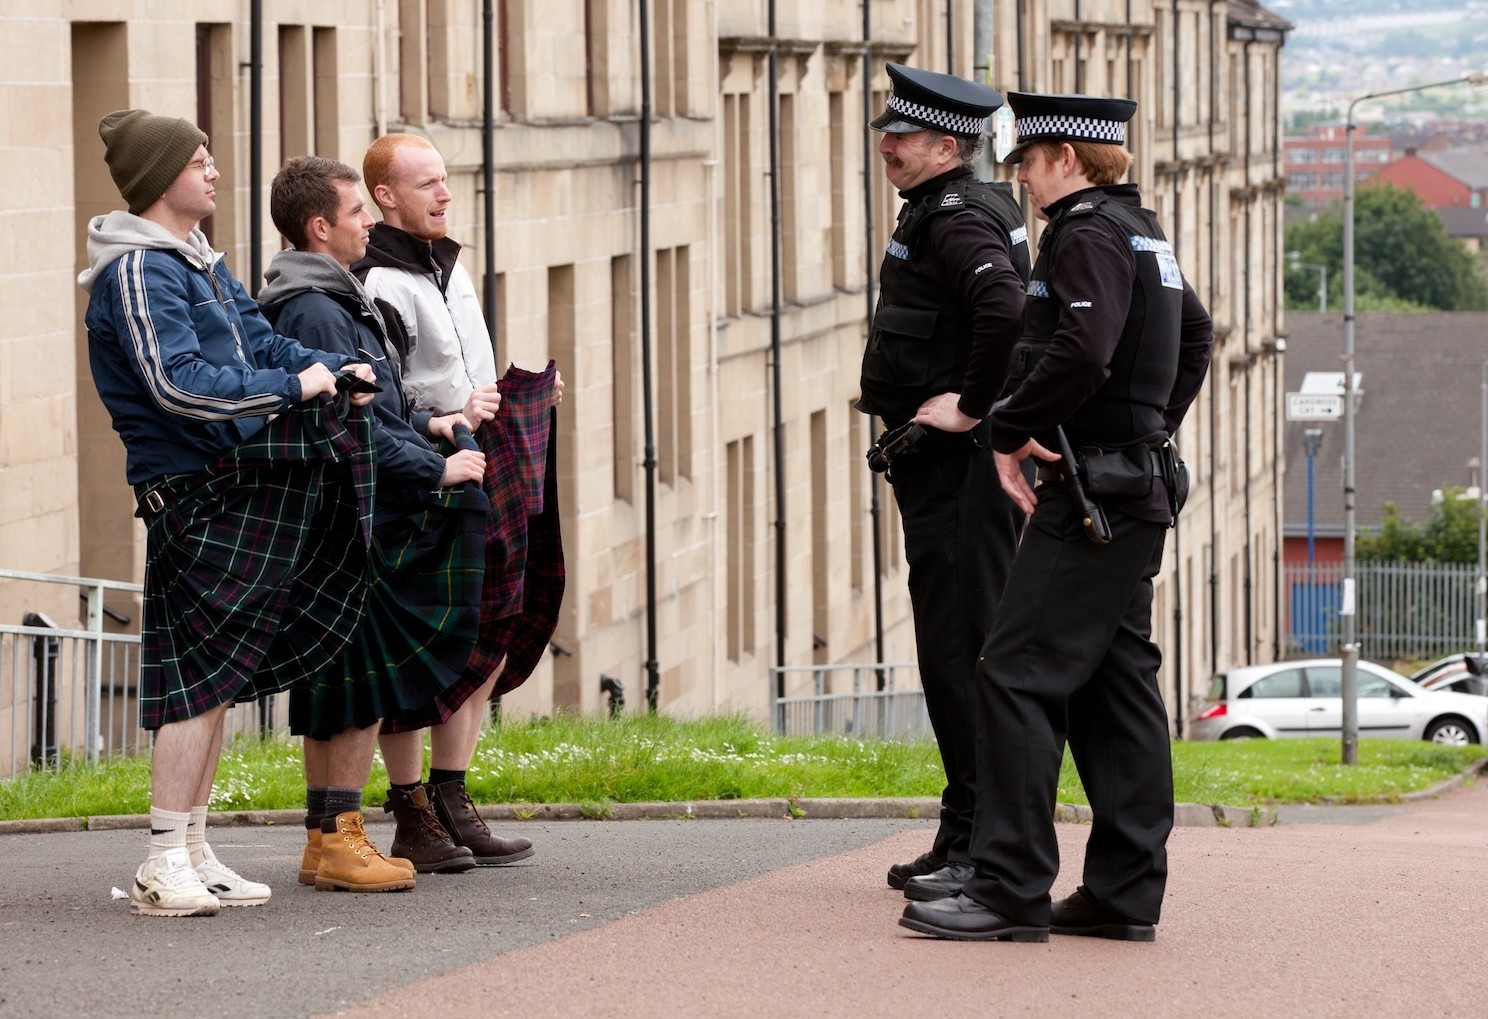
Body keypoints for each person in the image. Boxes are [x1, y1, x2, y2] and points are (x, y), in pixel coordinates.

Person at [899, 92, 1214, 942]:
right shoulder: (1145, 231)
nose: (1024, 183)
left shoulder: (1085, 233)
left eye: (1030, 165)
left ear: (1068, 158)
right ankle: (1122, 892)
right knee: (1116, 688)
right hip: (1131, 485)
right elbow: (1196, 338)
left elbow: (1082, 346)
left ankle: (1006, 885)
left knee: (1012, 670)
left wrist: (1009, 427)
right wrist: (1149, 428)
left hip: (1088, 496)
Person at [78, 111, 379, 916]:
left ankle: (194, 848)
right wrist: (294, 388)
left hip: (227, 481)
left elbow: (258, 342)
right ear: (158, 178)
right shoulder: (140, 271)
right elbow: (175, 383)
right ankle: (160, 857)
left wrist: (328, 367)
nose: (213, 171)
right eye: (198, 160)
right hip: (190, 490)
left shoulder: (198, 261)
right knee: (195, 685)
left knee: (213, 681)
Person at [260, 155, 499, 889]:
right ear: (319, 226)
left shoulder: (326, 295)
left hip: (346, 507)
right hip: (347, 515)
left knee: (342, 685)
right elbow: (348, 420)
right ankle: (338, 836)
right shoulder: (316, 307)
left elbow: (380, 407)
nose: (370, 221)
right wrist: (435, 466)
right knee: (353, 686)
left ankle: (329, 836)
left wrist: (429, 423)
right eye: (357, 210)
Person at [356, 133, 559, 870]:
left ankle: (452, 795)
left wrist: (519, 391)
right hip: (424, 467)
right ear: (386, 196)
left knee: (489, 629)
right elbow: (384, 394)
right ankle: (410, 809)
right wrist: (453, 409)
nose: (444, 194)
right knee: (422, 643)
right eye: (427, 184)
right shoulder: (379, 284)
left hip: (481, 458)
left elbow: (465, 364)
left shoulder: (450, 263)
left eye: (445, 180)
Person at [858, 63, 1031, 900]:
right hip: (943, 480)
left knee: (963, 657)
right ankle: (963, 829)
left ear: (949, 144)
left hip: (959, 477)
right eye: (887, 132)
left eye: (905, 136)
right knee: (952, 654)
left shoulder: (957, 218)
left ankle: (981, 845)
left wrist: (969, 404)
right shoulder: (950, 207)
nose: (887, 145)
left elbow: (1004, 305)